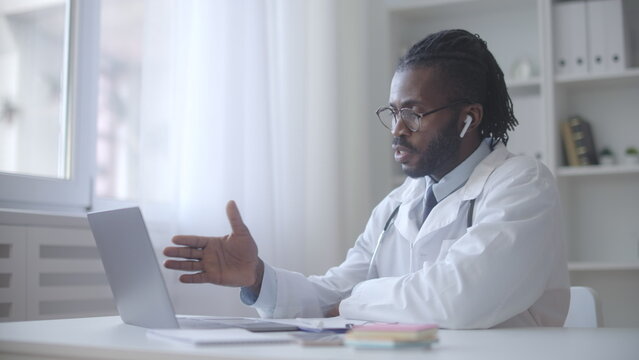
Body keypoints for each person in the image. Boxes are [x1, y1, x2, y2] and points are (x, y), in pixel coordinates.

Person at [163, 29, 570, 329]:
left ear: (469, 118)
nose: (396, 129)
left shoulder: (522, 184)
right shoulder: (399, 204)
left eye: (413, 113)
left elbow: (459, 299)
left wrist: (352, 304)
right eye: (393, 112)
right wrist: (257, 277)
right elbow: (335, 292)